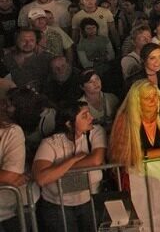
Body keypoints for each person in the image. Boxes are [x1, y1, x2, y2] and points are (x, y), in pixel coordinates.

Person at [33, 101, 106, 232]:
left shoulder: (95, 132)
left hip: (88, 200)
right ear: (68, 123)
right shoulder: (51, 143)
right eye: (84, 116)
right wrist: (73, 159)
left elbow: (96, 160)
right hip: (57, 205)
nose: (91, 118)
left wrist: (58, 171)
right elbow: (41, 178)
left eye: (89, 113)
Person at [108, 80, 160, 170]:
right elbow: (121, 154)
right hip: (135, 171)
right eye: (147, 98)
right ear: (137, 101)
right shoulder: (125, 118)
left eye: (155, 95)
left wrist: (145, 154)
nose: (153, 100)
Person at [0, 97, 37, 232]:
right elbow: (10, 177)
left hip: (12, 207)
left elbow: (10, 175)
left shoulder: (11, 132)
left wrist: (9, 177)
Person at [3, 28, 53, 93]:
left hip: (38, 99)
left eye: (31, 40)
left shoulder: (47, 58)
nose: (28, 43)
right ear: (16, 41)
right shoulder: (6, 58)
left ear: (36, 42)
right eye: (23, 40)